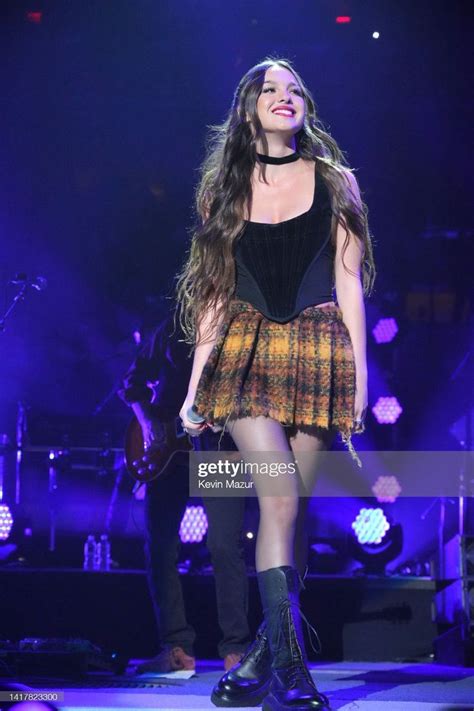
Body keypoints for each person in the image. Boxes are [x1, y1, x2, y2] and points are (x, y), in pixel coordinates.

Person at [176, 56, 375, 711]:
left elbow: (349, 283)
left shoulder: (338, 183)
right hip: (247, 350)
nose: (284, 97)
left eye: (294, 89)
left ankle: (262, 658)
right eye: (270, 89)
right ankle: (293, 675)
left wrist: (363, 381)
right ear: (248, 108)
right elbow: (213, 293)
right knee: (281, 497)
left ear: (305, 108)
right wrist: (195, 384)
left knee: (293, 513)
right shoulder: (224, 191)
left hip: (320, 353)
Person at [118, 303, 251, 672]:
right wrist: (147, 423)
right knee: (160, 544)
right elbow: (131, 383)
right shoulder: (172, 326)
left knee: (225, 544)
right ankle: (175, 647)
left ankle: (237, 651)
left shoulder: (245, 328)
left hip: (220, 448)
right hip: (166, 452)